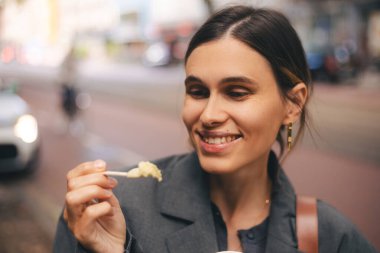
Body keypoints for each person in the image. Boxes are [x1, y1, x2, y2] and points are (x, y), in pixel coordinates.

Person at [53, 6, 377, 253]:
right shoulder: (107, 210)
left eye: (236, 92)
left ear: (292, 104)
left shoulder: (331, 238)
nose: (208, 115)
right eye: (197, 91)